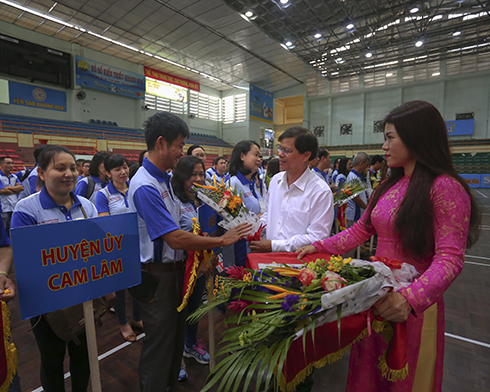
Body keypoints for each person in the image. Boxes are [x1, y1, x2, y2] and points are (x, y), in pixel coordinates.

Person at [297, 100, 480, 392]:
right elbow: (359, 231)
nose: (383, 147)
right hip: (375, 299)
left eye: (390, 137)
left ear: (417, 136)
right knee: (367, 376)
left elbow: (450, 258)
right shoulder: (387, 186)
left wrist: (409, 299)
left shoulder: (445, 187)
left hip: (411, 307)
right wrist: (318, 245)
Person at [128, 112, 251, 392]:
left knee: (172, 343)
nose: (181, 153)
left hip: (174, 273)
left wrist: (201, 241)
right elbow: (173, 238)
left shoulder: (164, 180)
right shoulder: (145, 185)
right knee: (159, 347)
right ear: (161, 143)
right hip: (156, 278)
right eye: (179, 145)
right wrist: (221, 241)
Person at [11, 145, 99, 392]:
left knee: (83, 357)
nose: (69, 173)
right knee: (52, 360)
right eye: (60, 168)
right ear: (41, 172)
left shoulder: (87, 207)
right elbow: (27, 259)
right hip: (46, 304)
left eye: (72, 167)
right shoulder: (27, 209)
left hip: (83, 296)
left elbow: (97, 250)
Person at [250, 127, 334, 254]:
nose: (280, 154)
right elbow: (269, 213)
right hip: (269, 259)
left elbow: (317, 237)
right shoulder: (275, 182)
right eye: (280, 148)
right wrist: (255, 227)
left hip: (298, 264)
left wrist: (274, 245)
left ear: (306, 155)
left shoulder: (320, 191)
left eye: (287, 150)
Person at [171, 155, 213, 381]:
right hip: (181, 268)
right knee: (179, 314)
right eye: (193, 175)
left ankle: (190, 345)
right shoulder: (174, 201)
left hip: (201, 268)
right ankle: (175, 356)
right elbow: (176, 238)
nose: (197, 179)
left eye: (201, 174)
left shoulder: (200, 200)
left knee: (195, 310)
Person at [95, 154, 143, 343]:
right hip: (118, 248)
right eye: (117, 169)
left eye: (124, 167)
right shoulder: (104, 195)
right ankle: (123, 322)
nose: (123, 172)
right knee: (121, 289)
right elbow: (105, 223)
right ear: (108, 173)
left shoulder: (136, 188)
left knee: (139, 285)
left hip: (139, 245)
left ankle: (137, 318)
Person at [224, 140, 263, 267]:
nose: (259, 159)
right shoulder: (233, 183)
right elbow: (233, 220)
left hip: (252, 244)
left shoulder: (251, 182)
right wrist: (260, 217)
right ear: (242, 156)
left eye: (259, 156)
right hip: (239, 248)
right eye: (256, 155)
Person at [0, 156, 24, 234]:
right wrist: (15, 189)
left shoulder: (14, 176)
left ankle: (12, 244)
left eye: (12, 163)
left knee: (13, 227)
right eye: (8, 163)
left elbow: (21, 187)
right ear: (1, 165)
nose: (11, 165)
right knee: (3, 228)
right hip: (3, 207)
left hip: (14, 206)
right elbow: (2, 190)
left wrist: (7, 188)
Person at [345, 152, 369, 227]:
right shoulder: (353, 177)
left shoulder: (357, 176)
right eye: (366, 165)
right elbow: (355, 197)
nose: (366, 167)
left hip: (358, 214)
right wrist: (366, 207)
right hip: (354, 215)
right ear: (361, 163)